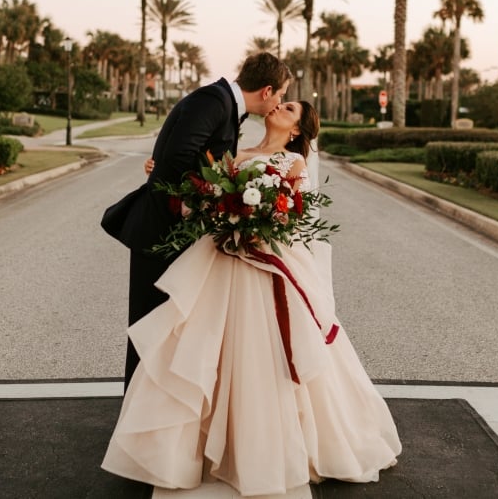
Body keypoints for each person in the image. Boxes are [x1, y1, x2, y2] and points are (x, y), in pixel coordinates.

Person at [103, 100, 401, 496]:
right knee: (203, 346)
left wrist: (260, 224)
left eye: (289, 108)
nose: (279, 106)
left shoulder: (292, 164)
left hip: (264, 264)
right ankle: (194, 446)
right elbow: (199, 202)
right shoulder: (235, 156)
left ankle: (262, 446)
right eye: (280, 102)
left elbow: (293, 219)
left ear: (297, 130)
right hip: (221, 259)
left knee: (260, 352)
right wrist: (162, 178)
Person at [103, 53, 292, 388]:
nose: (279, 102)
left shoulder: (224, 105)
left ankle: (159, 415)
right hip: (161, 231)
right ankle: (139, 419)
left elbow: (183, 156)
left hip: (177, 233)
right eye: (280, 95)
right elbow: (178, 158)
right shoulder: (214, 101)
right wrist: (218, 196)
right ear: (266, 91)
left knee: (168, 328)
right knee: (151, 326)